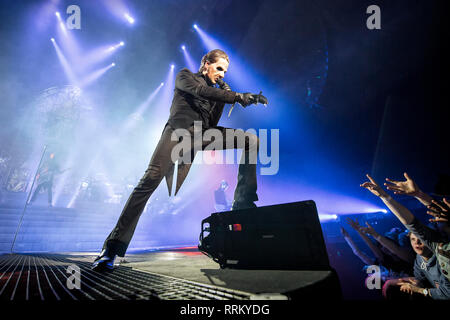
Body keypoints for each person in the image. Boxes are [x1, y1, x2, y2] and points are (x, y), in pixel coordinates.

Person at [92, 49, 268, 272]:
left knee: (250, 140)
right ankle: (112, 248)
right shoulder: (185, 76)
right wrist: (236, 97)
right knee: (150, 180)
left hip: (202, 135)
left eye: (225, 71)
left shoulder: (216, 91)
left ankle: (242, 202)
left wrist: (226, 96)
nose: (223, 74)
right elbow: (200, 91)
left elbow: (212, 123)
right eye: (219, 68)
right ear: (206, 63)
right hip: (177, 133)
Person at [360, 173, 450, 282]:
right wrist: (384, 196)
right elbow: (412, 223)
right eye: (413, 239)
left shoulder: (439, 244)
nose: (417, 242)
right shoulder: (428, 253)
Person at [383, 232, 450, 300]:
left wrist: (419, 290)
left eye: (421, 239)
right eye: (413, 239)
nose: (417, 242)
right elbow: (419, 280)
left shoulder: (442, 259)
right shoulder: (419, 258)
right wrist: (413, 284)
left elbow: (447, 293)